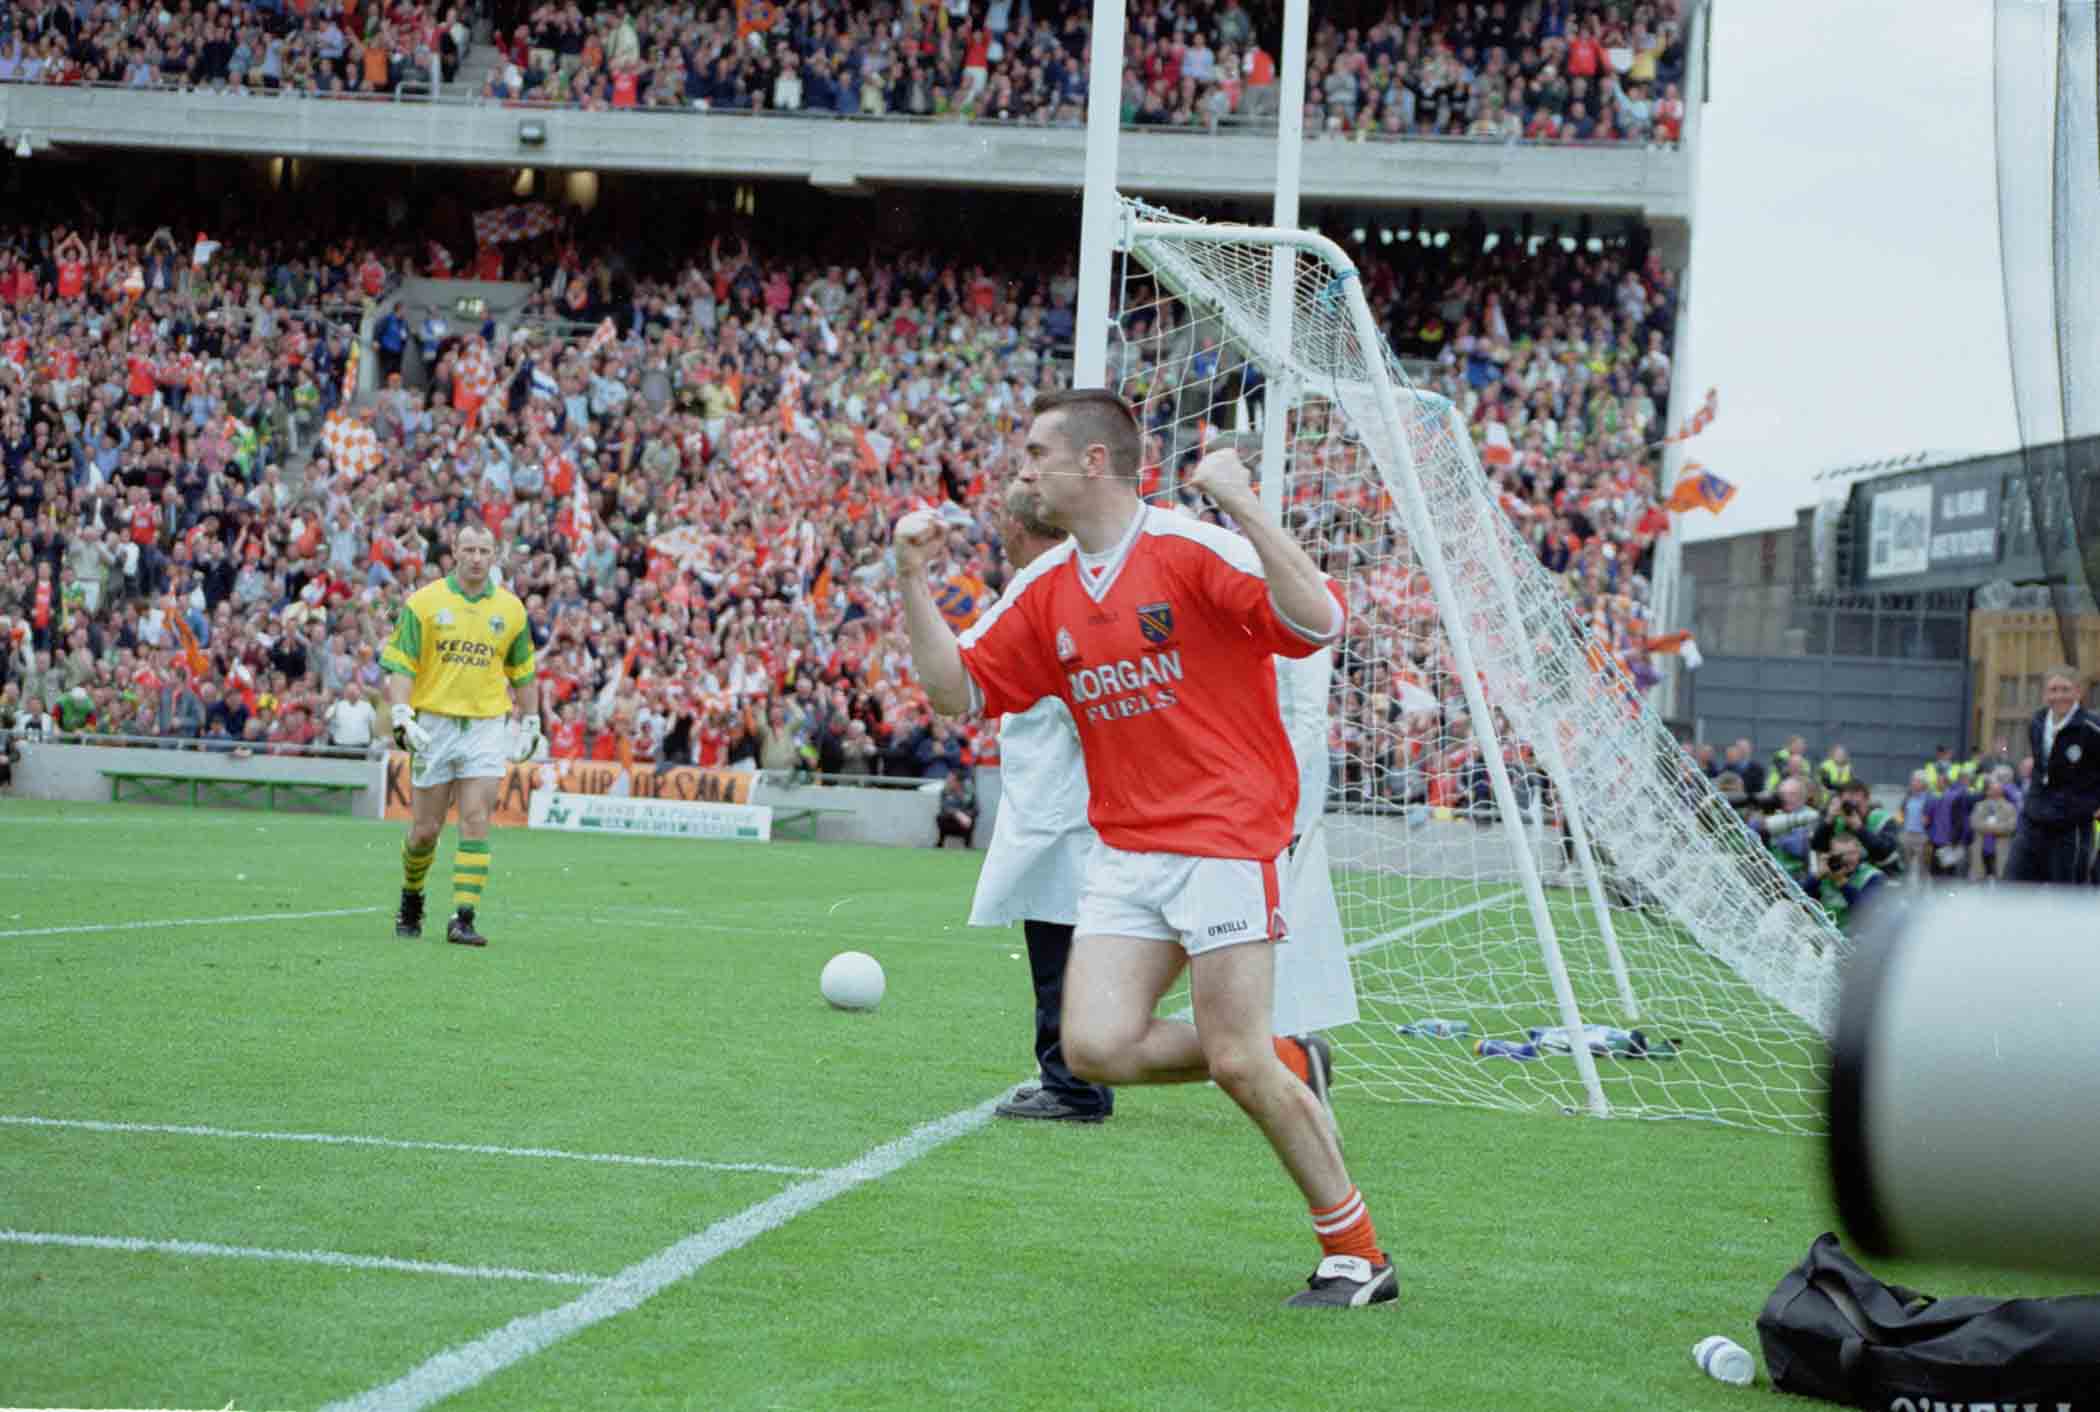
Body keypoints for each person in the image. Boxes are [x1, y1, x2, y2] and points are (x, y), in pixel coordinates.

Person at [894, 388, 1393, 1310]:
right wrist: (912, 581)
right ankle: (1279, 1054)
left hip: (1224, 832)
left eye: (1036, 452)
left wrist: (1241, 503)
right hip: (1126, 849)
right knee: (1092, 1047)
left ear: (1092, 462)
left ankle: (1357, 1252)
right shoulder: (1044, 588)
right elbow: (956, 692)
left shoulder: (1189, 548)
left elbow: (1319, 620)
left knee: (1237, 1063)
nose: (1022, 470)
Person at [967, 486, 1114, 1124]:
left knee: (1062, 950)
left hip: (1065, 811)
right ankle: (1068, 1074)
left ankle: (1075, 1085)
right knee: (1057, 947)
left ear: (1017, 526)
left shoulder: (1048, 593)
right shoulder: (1053, 587)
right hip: (1057, 805)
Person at [381, 524, 541, 947]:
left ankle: (463, 917)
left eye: (483, 550)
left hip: (486, 725)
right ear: (453, 551)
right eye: (468, 549)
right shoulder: (425, 603)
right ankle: (411, 895)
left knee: (476, 819)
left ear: (495, 556)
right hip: (433, 724)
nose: (475, 557)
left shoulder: (511, 610)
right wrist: (402, 713)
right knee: (425, 830)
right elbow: (401, 664)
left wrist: (531, 721)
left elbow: (523, 671)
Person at [2004, 665, 2100, 885]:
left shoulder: (2092, 728)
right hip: (2033, 821)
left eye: (2065, 689)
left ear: (2078, 692)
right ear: (2045, 694)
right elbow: (2043, 767)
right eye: (2053, 690)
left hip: (2071, 826)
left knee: (2066, 898)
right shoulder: (2036, 723)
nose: (2059, 696)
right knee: (2011, 889)